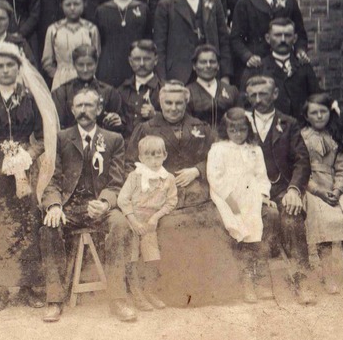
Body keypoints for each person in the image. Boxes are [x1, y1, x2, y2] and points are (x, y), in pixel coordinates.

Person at [0, 41, 60, 308]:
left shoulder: (30, 97)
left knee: (24, 219)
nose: (5, 70)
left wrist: (28, 154)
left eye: (10, 66)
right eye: (0, 66)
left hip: (24, 165)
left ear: (18, 68)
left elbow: (43, 137)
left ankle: (28, 284)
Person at [39, 86, 136, 322]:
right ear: (72, 110)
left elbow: (116, 183)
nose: (84, 110)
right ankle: (54, 300)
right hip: (70, 207)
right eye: (79, 106)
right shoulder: (61, 139)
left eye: (89, 105)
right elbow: (52, 180)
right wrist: (53, 205)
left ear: (100, 109)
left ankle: (118, 299)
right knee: (49, 228)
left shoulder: (114, 140)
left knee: (121, 224)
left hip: (99, 209)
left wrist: (105, 203)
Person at [127, 82, 224, 304]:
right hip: (160, 197)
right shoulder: (147, 128)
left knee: (210, 222)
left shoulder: (200, 126)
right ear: (160, 103)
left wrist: (197, 170)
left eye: (179, 103)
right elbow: (130, 162)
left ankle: (205, 290)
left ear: (186, 102)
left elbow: (219, 157)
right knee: (170, 228)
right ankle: (172, 292)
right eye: (168, 103)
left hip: (196, 196)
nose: (173, 108)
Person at [242, 76, 315, 304]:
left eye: (263, 94)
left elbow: (302, 161)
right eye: (253, 95)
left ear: (274, 95)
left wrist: (294, 189)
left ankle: (301, 280)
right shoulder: (239, 123)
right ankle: (254, 280)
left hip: (282, 188)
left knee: (292, 217)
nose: (258, 100)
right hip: (250, 190)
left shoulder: (289, 123)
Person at [302, 93, 343, 294]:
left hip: (336, 186)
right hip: (312, 187)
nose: (319, 116)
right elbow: (300, 170)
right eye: (314, 113)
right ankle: (327, 273)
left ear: (329, 114)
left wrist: (338, 189)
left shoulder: (338, 137)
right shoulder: (302, 138)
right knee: (326, 221)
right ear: (307, 116)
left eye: (323, 112)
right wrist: (319, 191)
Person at [206, 108, 274, 302]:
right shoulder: (218, 149)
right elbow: (215, 177)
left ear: (248, 130)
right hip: (227, 196)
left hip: (250, 194)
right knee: (241, 225)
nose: (238, 135)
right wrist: (230, 200)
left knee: (256, 225)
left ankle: (258, 279)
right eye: (233, 130)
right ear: (225, 130)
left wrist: (263, 195)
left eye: (242, 130)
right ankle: (246, 281)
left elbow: (261, 176)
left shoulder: (254, 149)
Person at [117, 134, 179, 312]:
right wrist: (133, 220)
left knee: (152, 257)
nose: (153, 160)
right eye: (149, 156)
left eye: (157, 155)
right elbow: (123, 199)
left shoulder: (168, 178)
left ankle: (149, 291)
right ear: (141, 158)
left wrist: (156, 217)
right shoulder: (135, 176)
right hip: (133, 220)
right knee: (133, 256)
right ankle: (137, 294)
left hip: (151, 222)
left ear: (165, 155)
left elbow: (171, 202)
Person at [152, 0, 232, 85]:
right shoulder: (166, 5)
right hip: (178, 74)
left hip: (210, 71)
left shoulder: (214, 1)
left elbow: (223, 40)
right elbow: (159, 45)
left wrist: (225, 75)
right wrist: (162, 78)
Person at [249, 18, 321, 121]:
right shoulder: (258, 68)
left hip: (301, 127)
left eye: (287, 35)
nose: (283, 40)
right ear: (268, 38)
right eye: (278, 35)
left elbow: (316, 96)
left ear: (295, 38)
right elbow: (247, 102)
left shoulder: (303, 66)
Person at [95, 0, 151, 87]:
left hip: (136, 65)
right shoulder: (102, 10)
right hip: (109, 66)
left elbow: (147, 39)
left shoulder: (142, 9)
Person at [51, 45, 127, 134]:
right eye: (80, 65)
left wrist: (116, 121)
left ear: (96, 64)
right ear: (74, 64)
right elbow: (57, 125)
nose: (85, 69)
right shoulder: (62, 92)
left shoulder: (109, 92)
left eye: (90, 64)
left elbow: (121, 126)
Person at [41, 0, 99, 90]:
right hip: (61, 78)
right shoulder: (54, 29)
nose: (72, 8)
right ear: (61, 5)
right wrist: (59, 75)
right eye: (68, 4)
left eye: (76, 4)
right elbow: (47, 61)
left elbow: (97, 55)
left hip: (87, 75)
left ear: (84, 4)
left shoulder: (91, 29)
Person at [186, 44, 242, 136]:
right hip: (198, 143)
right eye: (203, 62)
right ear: (194, 66)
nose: (208, 66)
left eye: (212, 62)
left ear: (218, 65)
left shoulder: (231, 91)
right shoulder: (187, 92)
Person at [119, 40, 164, 126]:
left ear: (156, 60)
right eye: (137, 59)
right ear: (130, 61)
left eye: (147, 59)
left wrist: (155, 115)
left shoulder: (164, 89)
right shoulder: (122, 90)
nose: (142, 64)